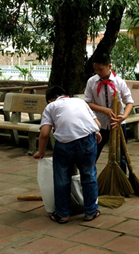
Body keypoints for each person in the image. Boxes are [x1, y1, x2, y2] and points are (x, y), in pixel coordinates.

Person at [34, 85, 102, 224]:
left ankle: (63, 214)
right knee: (88, 175)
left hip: (65, 145)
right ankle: (90, 212)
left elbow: (45, 133)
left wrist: (41, 152)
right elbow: (98, 124)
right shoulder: (80, 101)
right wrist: (96, 132)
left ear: (50, 100)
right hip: (87, 141)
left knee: (62, 178)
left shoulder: (51, 107)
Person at [84, 51, 134, 174]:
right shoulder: (91, 82)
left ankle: (121, 184)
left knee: (121, 156)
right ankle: (89, 181)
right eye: (95, 69)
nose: (98, 73)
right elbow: (88, 103)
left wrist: (123, 117)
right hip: (99, 124)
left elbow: (130, 102)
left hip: (117, 124)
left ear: (109, 66)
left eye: (100, 69)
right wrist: (104, 110)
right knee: (93, 153)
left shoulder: (119, 82)